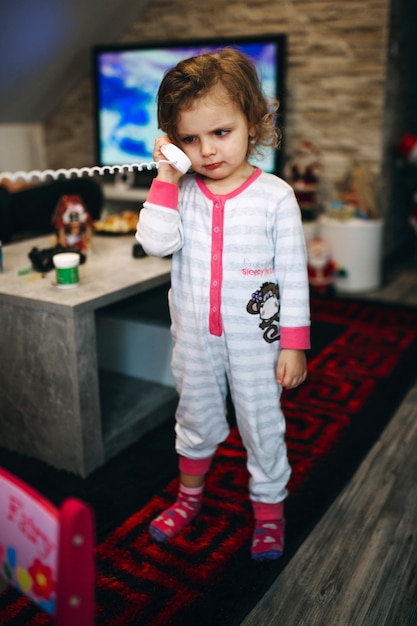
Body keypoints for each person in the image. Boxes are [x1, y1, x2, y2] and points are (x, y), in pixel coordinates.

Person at [136, 48, 310, 561]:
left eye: (221, 133)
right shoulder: (181, 191)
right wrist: (166, 178)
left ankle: (269, 512)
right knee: (194, 418)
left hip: (259, 341)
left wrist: (294, 345)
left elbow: (293, 276)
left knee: (261, 423)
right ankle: (189, 498)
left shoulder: (275, 197)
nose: (207, 151)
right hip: (194, 339)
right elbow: (154, 242)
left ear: (252, 124)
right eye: (189, 139)